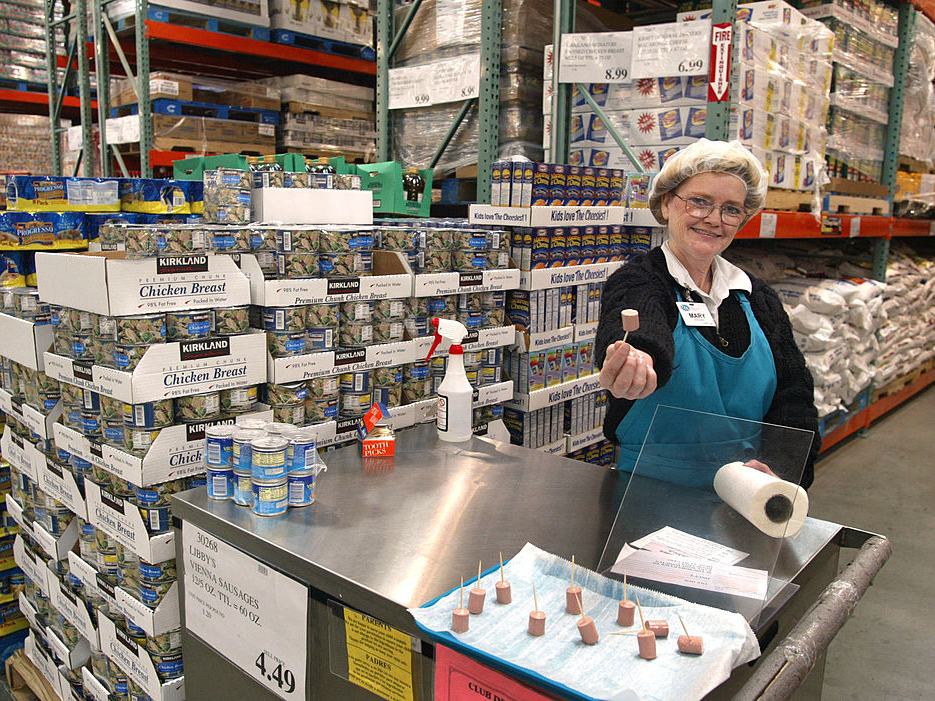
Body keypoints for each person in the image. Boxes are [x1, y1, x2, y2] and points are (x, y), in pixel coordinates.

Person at [596, 139, 819, 489]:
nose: (714, 219)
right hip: (645, 495)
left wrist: (781, 469)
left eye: (731, 209)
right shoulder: (640, 280)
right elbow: (641, 323)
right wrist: (637, 358)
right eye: (699, 202)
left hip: (745, 494)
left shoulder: (758, 298)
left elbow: (794, 395)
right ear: (667, 203)